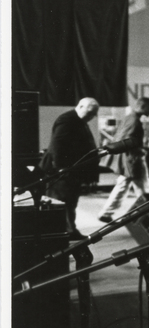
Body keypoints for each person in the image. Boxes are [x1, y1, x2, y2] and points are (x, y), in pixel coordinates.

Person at [39, 97, 100, 238]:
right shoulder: (67, 120)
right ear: (80, 106)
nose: (92, 116)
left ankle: (70, 230)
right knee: (62, 202)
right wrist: (61, 168)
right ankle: (64, 232)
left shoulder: (79, 121)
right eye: (90, 112)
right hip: (61, 172)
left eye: (94, 114)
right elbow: (57, 145)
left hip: (70, 172)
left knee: (70, 202)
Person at [98, 97, 149, 222]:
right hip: (133, 160)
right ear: (143, 107)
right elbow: (126, 141)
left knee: (123, 186)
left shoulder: (129, 118)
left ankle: (106, 213)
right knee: (144, 188)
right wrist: (140, 151)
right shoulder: (134, 121)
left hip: (129, 160)